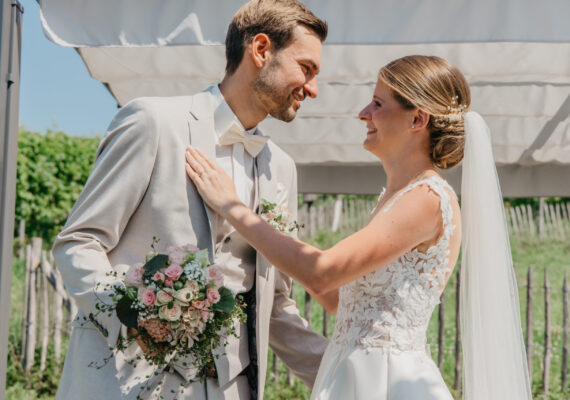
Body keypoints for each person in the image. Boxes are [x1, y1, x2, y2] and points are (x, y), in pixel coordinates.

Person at [185, 55, 533, 399]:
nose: (363, 113)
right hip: (354, 374)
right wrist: (273, 247)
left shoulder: (428, 198)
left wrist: (232, 206)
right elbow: (338, 297)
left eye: (378, 103)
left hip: (387, 381)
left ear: (417, 119)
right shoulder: (394, 198)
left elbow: (322, 272)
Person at [52, 1, 329, 399]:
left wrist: (345, 373)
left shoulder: (281, 169)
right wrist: (135, 317)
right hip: (128, 382)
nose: (313, 88)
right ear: (261, 49)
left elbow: (274, 302)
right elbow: (78, 243)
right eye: (307, 68)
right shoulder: (152, 122)